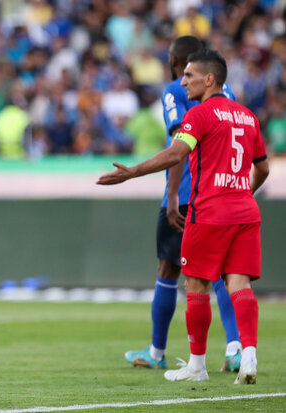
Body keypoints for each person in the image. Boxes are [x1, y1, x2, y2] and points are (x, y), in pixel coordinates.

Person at [98, 49, 269, 385]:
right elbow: (262, 167)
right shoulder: (248, 117)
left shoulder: (200, 115)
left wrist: (132, 172)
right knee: (239, 283)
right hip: (245, 210)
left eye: (189, 75)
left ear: (209, 79)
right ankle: (248, 355)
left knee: (196, 284)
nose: (183, 81)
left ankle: (197, 365)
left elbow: (177, 153)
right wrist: (244, 192)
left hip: (209, 210)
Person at [124, 36, 242, 372]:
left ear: (176, 64)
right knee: (221, 271)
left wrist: (173, 194)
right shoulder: (226, 91)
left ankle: (158, 353)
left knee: (168, 269)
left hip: (189, 192)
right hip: (222, 191)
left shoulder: (175, 90)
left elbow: (180, 145)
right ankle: (235, 348)